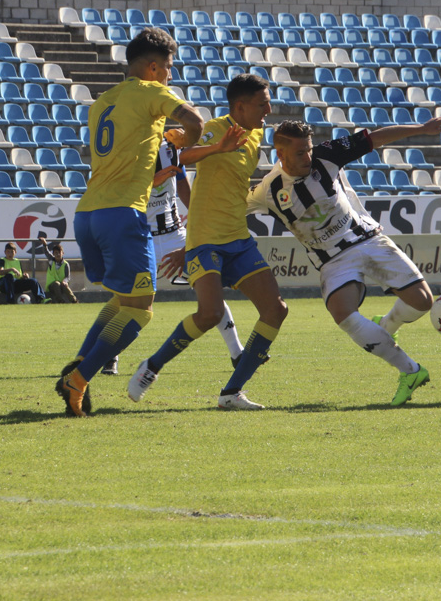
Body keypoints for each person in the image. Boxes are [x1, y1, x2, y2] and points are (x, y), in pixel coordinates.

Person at [247, 116, 441, 406]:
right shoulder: (267, 190)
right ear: (280, 153)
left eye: (308, 148)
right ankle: (410, 371)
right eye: (299, 152)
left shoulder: (327, 154)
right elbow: (228, 207)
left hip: (368, 239)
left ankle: (387, 323)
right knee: (341, 311)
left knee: (422, 302)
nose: (308, 156)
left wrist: (422, 128)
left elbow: (375, 137)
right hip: (333, 260)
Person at [55, 27, 205, 417]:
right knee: (141, 310)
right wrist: (184, 139)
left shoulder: (102, 102)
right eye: (169, 68)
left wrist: (159, 137)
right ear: (153, 68)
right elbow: (196, 122)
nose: (170, 75)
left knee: (123, 301)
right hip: (123, 214)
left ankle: (76, 368)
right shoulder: (152, 91)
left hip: (88, 213)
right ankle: (80, 377)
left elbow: (126, 145)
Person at [129, 73, 288, 410]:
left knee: (276, 309)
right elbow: (179, 158)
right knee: (209, 313)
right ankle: (151, 367)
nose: (268, 109)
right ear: (241, 107)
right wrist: (218, 147)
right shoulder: (217, 128)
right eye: (262, 103)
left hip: (238, 237)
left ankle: (232, 393)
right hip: (206, 241)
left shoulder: (257, 131)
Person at [149, 137, 248, 364]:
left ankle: (237, 352)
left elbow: (187, 193)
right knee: (130, 301)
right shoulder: (129, 150)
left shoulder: (170, 150)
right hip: (142, 238)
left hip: (175, 234)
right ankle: (109, 356)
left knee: (210, 291)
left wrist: (196, 225)